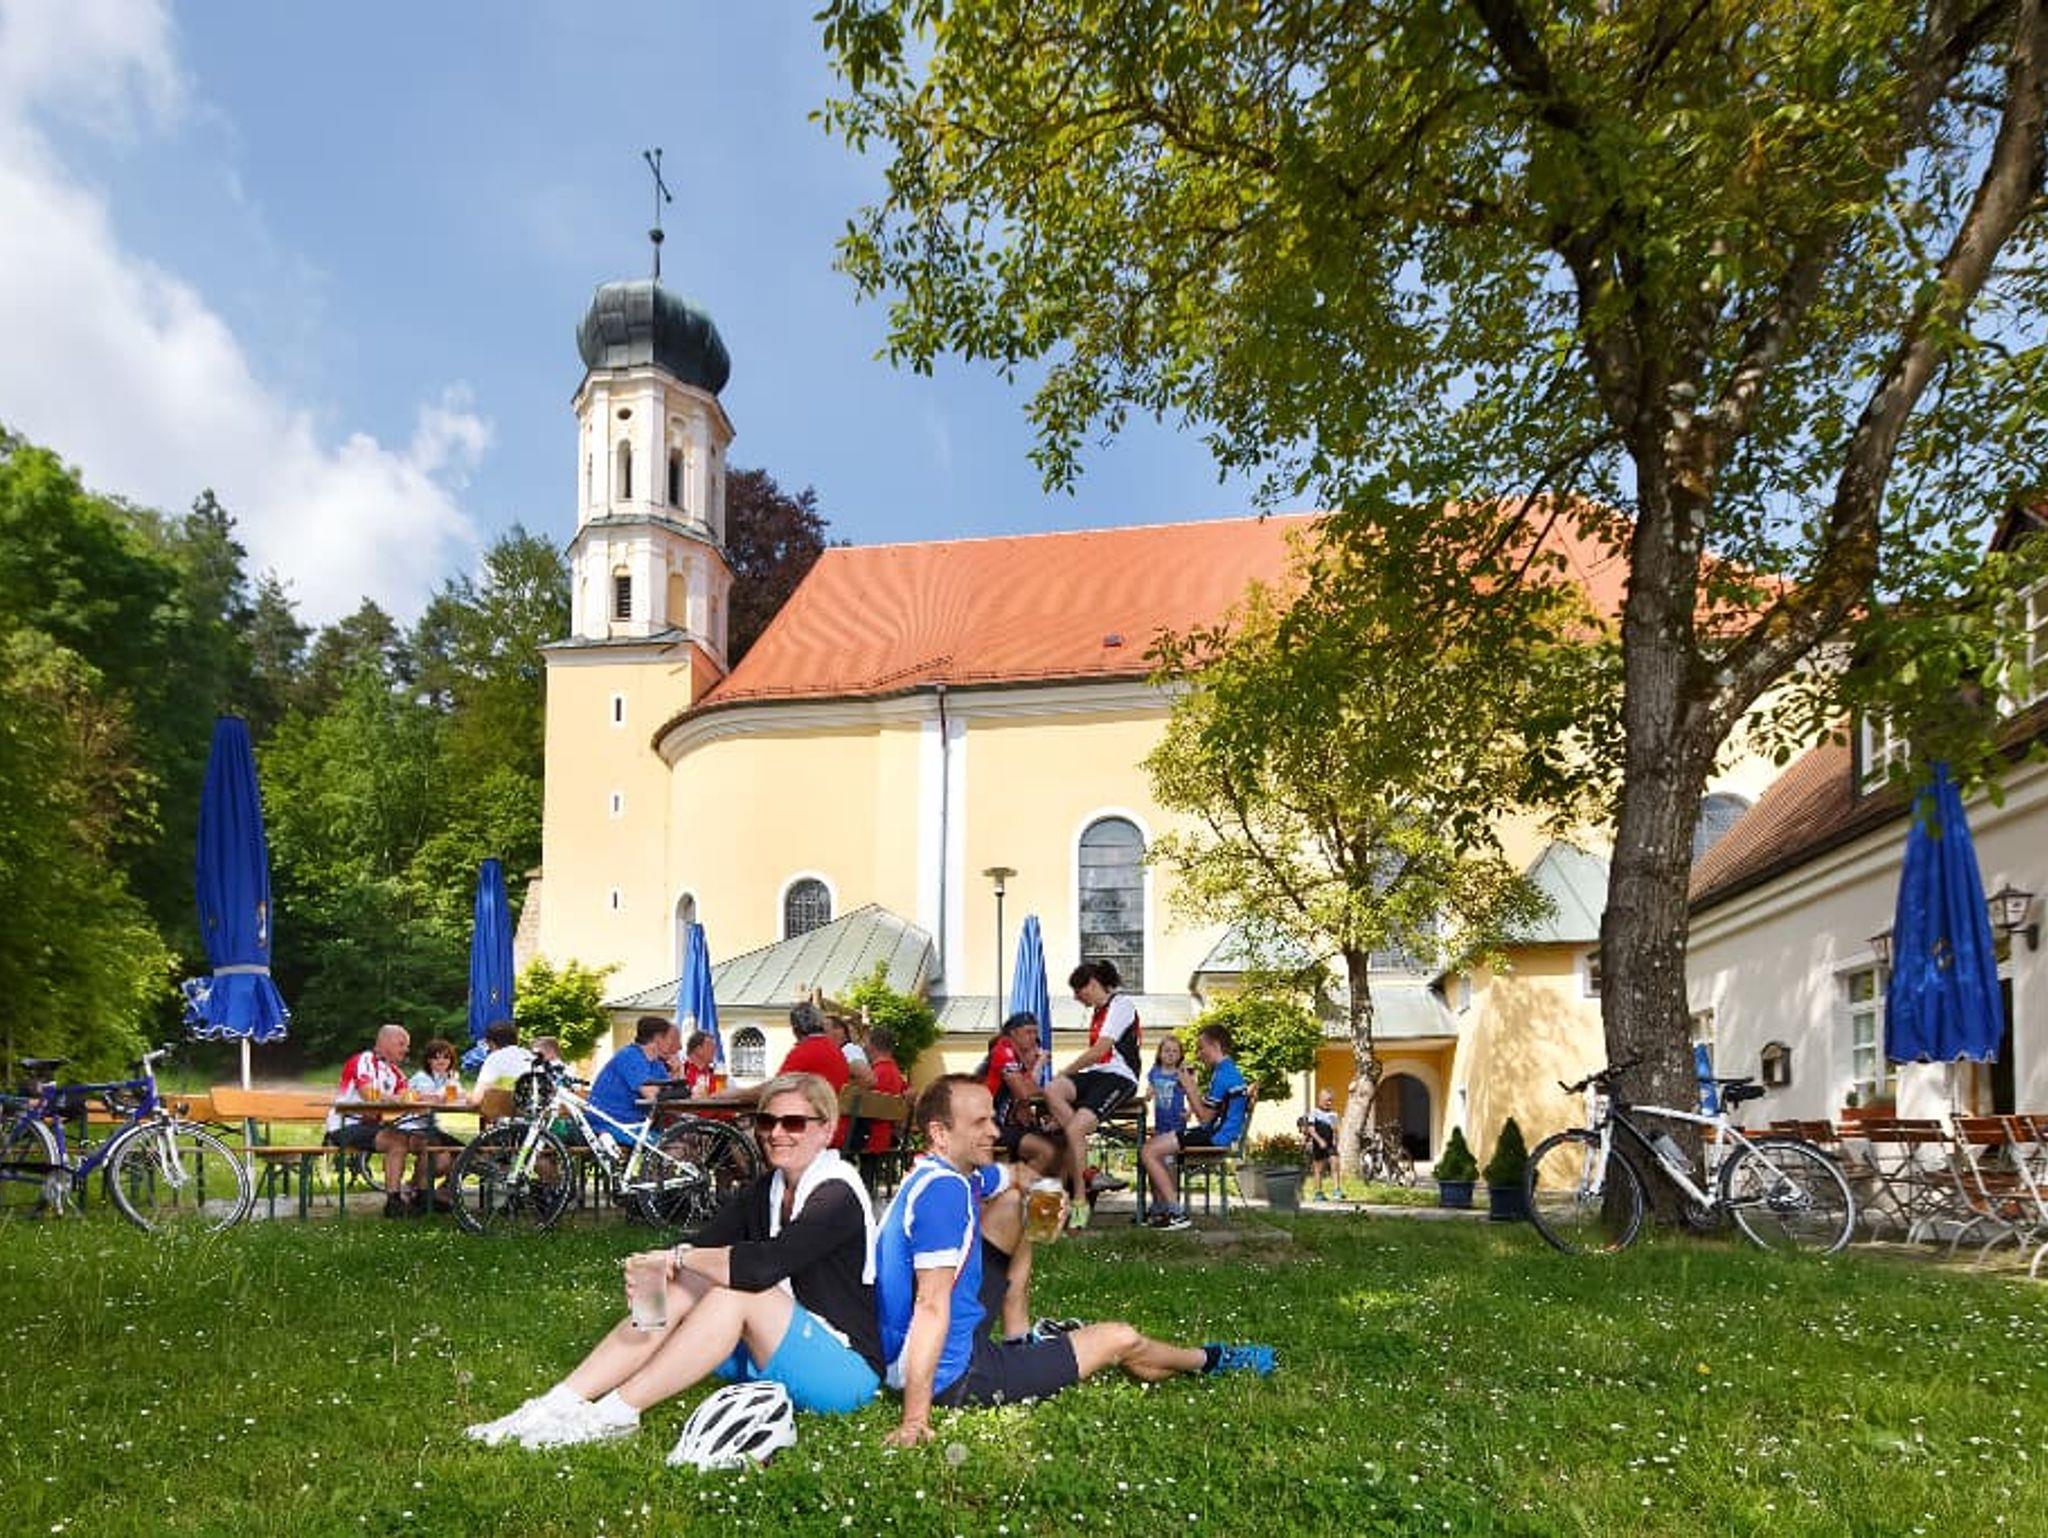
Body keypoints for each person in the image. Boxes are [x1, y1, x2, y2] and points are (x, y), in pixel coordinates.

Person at [464, 1073, 884, 1450]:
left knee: (735, 1292)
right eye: (766, 1122)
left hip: (843, 1371)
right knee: (682, 1278)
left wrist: (679, 1257)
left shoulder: (837, 1195)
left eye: (793, 1123)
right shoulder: (769, 1187)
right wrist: (654, 1265)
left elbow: (761, 1268)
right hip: (776, 1349)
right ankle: (559, 1403)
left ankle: (615, 1414)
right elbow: (704, 1241)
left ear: (826, 1129)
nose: (776, 1133)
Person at [876, 1074, 1274, 1447]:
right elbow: (930, 1305)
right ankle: (1210, 1359)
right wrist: (915, 1419)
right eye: (979, 1123)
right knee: (1121, 1338)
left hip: (941, 1342)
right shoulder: (944, 1194)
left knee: (1014, 1204)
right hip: (954, 1373)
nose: (995, 1131)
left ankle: (1019, 1338)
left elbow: (1015, 1174)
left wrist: (1049, 1196)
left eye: (991, 1119)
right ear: (940, 1133)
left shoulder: (943, 1173)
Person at [1042, 960, 1142, 1227]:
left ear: (1093, 984)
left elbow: (1099, 1051)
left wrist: (1065, 1071)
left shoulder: (1122, 1005)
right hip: (1098, 1074)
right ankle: (1088, 1170)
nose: (1076, 998)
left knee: (1073, 1130)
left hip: (1120, 1077)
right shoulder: (1099, 1011)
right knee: (1052, 1090)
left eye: (1078, 991)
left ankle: (1080, 1202)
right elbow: (1097, 1060)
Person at [1140, 1024, 1253, 1231]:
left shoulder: (1224, 1075)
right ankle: (1165, 1209)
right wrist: (1191, 1090)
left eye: (1202, 1048)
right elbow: (1207, 1114)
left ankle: (1175, 1213)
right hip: (1216, 1133)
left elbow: (1204, 1118)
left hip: (1215, 1137)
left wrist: (1190, 1088)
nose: (1199, 1054)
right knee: (1154, 1148)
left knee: (1149, 1151)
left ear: (1215, 1045)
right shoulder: (1225, 1071)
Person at [323, 1023, 420, 1219]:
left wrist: (399, 1098)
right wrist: (396, 1098)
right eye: (401, 1044)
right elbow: (368, 1095)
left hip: (371, 1125)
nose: (406, 1049)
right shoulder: (363, 1061)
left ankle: (420, 1194)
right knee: (397, 1141)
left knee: (422, 1139)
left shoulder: (395, 1071)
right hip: (345, 1125)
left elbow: (409, 1096)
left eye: (407, 1045)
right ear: (385, 1042)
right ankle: (394, 1202)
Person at [983, 1011, 1060, 1178]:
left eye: (1035, 1032)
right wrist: (1038, 1065)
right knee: (1045, 1151)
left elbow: (1033, 1090)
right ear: (1013, 1033)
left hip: (1002, 1124)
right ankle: (1014, 1189)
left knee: (1059, 1142)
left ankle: (1044, 1189)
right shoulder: (1004, 1050)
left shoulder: (1017, 1060)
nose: (1033, 1038)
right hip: (987, 1126)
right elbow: (1025, 1093)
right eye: (1028, 1032)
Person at [399, 1037, 467, 1213]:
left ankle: (440, 1190)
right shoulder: (422, 1077)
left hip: (430, 1126)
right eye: (436, 1057)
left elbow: (460, 1096)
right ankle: (416, 1188)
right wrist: (448, 1089)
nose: (441, 1061)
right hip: (412, 1125)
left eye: (446, 1057)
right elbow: (430, 1099)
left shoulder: (447, 1077)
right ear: (428, 1060)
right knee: (441, 1156)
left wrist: (451, 1088)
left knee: (467, 1154)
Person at [588, 1015, 681, 1137]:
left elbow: (672, 1094)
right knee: (675, 1144)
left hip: (635, 1124)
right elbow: (653, 1095)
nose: (678, 1047)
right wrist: (672, 1090)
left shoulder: (656, 1063)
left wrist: (675, 1072)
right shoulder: (630, 1056)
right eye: (672, 1039)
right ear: (658, 1038)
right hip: (610, 1124)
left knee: (685, 1138)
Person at [779, 1000, 852, 1144]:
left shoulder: (804, 1051)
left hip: (815, 1131)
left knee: (752, 1132)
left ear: (795, 1030)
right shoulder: (836, 1050)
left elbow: (775, 1088)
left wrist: (739, 1094)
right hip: (838, 1128)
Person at [472, 1019, 533, 1121]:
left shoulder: (495, 1058)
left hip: (507, 1123)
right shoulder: (530, 1056)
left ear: (491, 1043)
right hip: (535, 1122)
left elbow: (477, 1098)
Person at [862, 1027, 909, 1156]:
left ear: (871, 1046)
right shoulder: (895, 1072)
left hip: (869, 1139)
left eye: (865, 1042)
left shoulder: (874, 1075)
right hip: (888, 1137)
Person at [1301, 1087, 1341, 1202]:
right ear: (1320, 1100)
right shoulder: (1314, 1113)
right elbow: (1311, 1130)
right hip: (1319, 1144)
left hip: (1330, 1144)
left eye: (1331, 1100)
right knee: (1319, 1169)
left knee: (1335, 1164)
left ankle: (1337, 1190)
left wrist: (1336, 1140)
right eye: (1327, 1100)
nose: (1329, 1103)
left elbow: (1335, 1130)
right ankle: (1318, 1193)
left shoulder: (1333, 1114)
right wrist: (1319, 1141)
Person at [1146, 1035, 1190, 1140]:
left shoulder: (1181, 1073)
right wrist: (1148, 1094)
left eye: (1175, 1051)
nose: (1171, 1054)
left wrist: (1190, 1111)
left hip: (1178, 1120)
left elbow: (1190, 1094)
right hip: (1160, 1121)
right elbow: (1151, 1087)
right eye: (1167, 1051)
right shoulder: (1155, 1071)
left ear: (1180, 1055)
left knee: (1175, 1146)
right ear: (1160, 1053)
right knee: (1161, 1145)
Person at [823, 1011, 876, 1089]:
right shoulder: (844, 1050)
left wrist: (841, 1088)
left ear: (838, 1031)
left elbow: (869, 1078)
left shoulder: (849, 1049)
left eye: (824, 1031)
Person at [680, 1030, 719, 1096]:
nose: (714, 1050)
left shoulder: (715, 1073)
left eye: (714, 1047)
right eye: (710, 1046)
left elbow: (734, 1090)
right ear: (698, 1049)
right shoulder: (681, 1070)